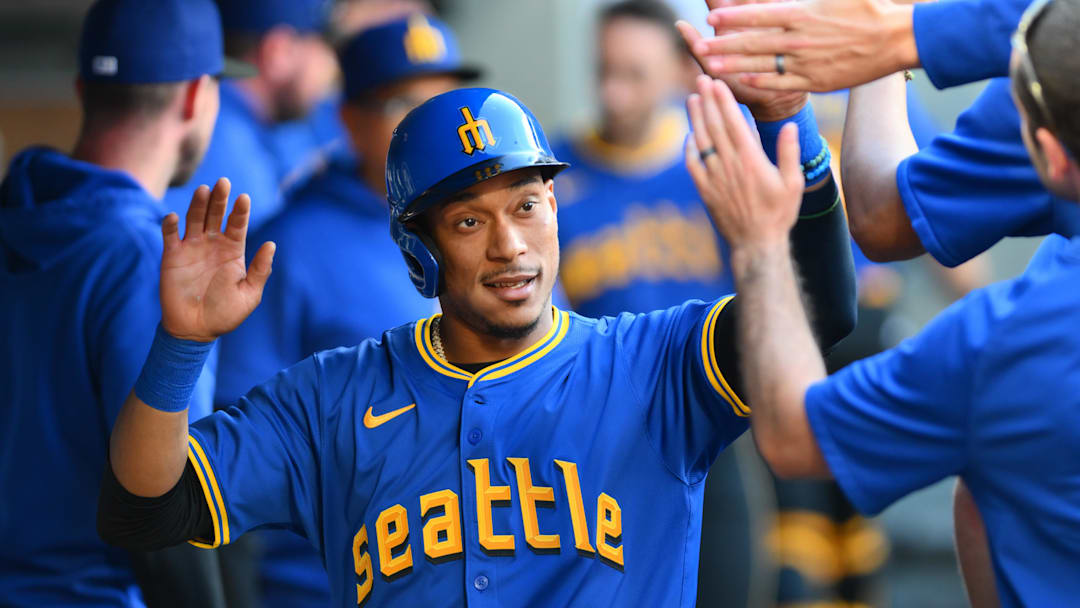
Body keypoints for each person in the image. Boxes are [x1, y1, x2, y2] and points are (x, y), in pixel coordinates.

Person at [96, 78, 855, 606]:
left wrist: (793, 123)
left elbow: (818, 315)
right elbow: (148, 507)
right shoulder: (334, 398)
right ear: (418, 253)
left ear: (556, 209)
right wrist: (180, 345)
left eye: (526, 206)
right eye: (469, 221)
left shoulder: (656, 364)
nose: (510, 246)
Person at [700, 1, 1080, 606]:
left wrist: (761, 243)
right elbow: (885, 212)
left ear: (1049, 155)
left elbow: (796, 435)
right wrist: (887, 38)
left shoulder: (1002, 343)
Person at [214, 14, 479, 607]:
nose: (431, 125)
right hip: (331, 583)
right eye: (403, 104)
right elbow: (243, 435)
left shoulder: (495, 225)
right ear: (349, 120)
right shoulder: (289, 245)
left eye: (444, 101)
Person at [0, 0, 252, 604]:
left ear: (84, 88)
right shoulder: (145, 259)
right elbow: (163, 511)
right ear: (196, 96)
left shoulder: (17, 210)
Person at [162, 0, 333, 233]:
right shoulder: (231, 152)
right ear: (278, 52)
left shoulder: (231, 120)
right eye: (323, 43)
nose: (330, 65)